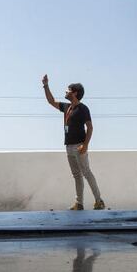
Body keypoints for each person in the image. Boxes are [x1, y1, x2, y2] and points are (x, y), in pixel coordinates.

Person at [42, 75, 105, 210]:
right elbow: (51, 101)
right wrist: (46, 86)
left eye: (68, 90)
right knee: (77, 175)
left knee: (86, 173)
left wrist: (85, 145)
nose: (65, 92)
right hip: (68, 146)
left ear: (75, 92)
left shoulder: (83, 109)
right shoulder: (67, 107)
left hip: (79, 146)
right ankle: (79, 203)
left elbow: (90, 127)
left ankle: (99, 201)